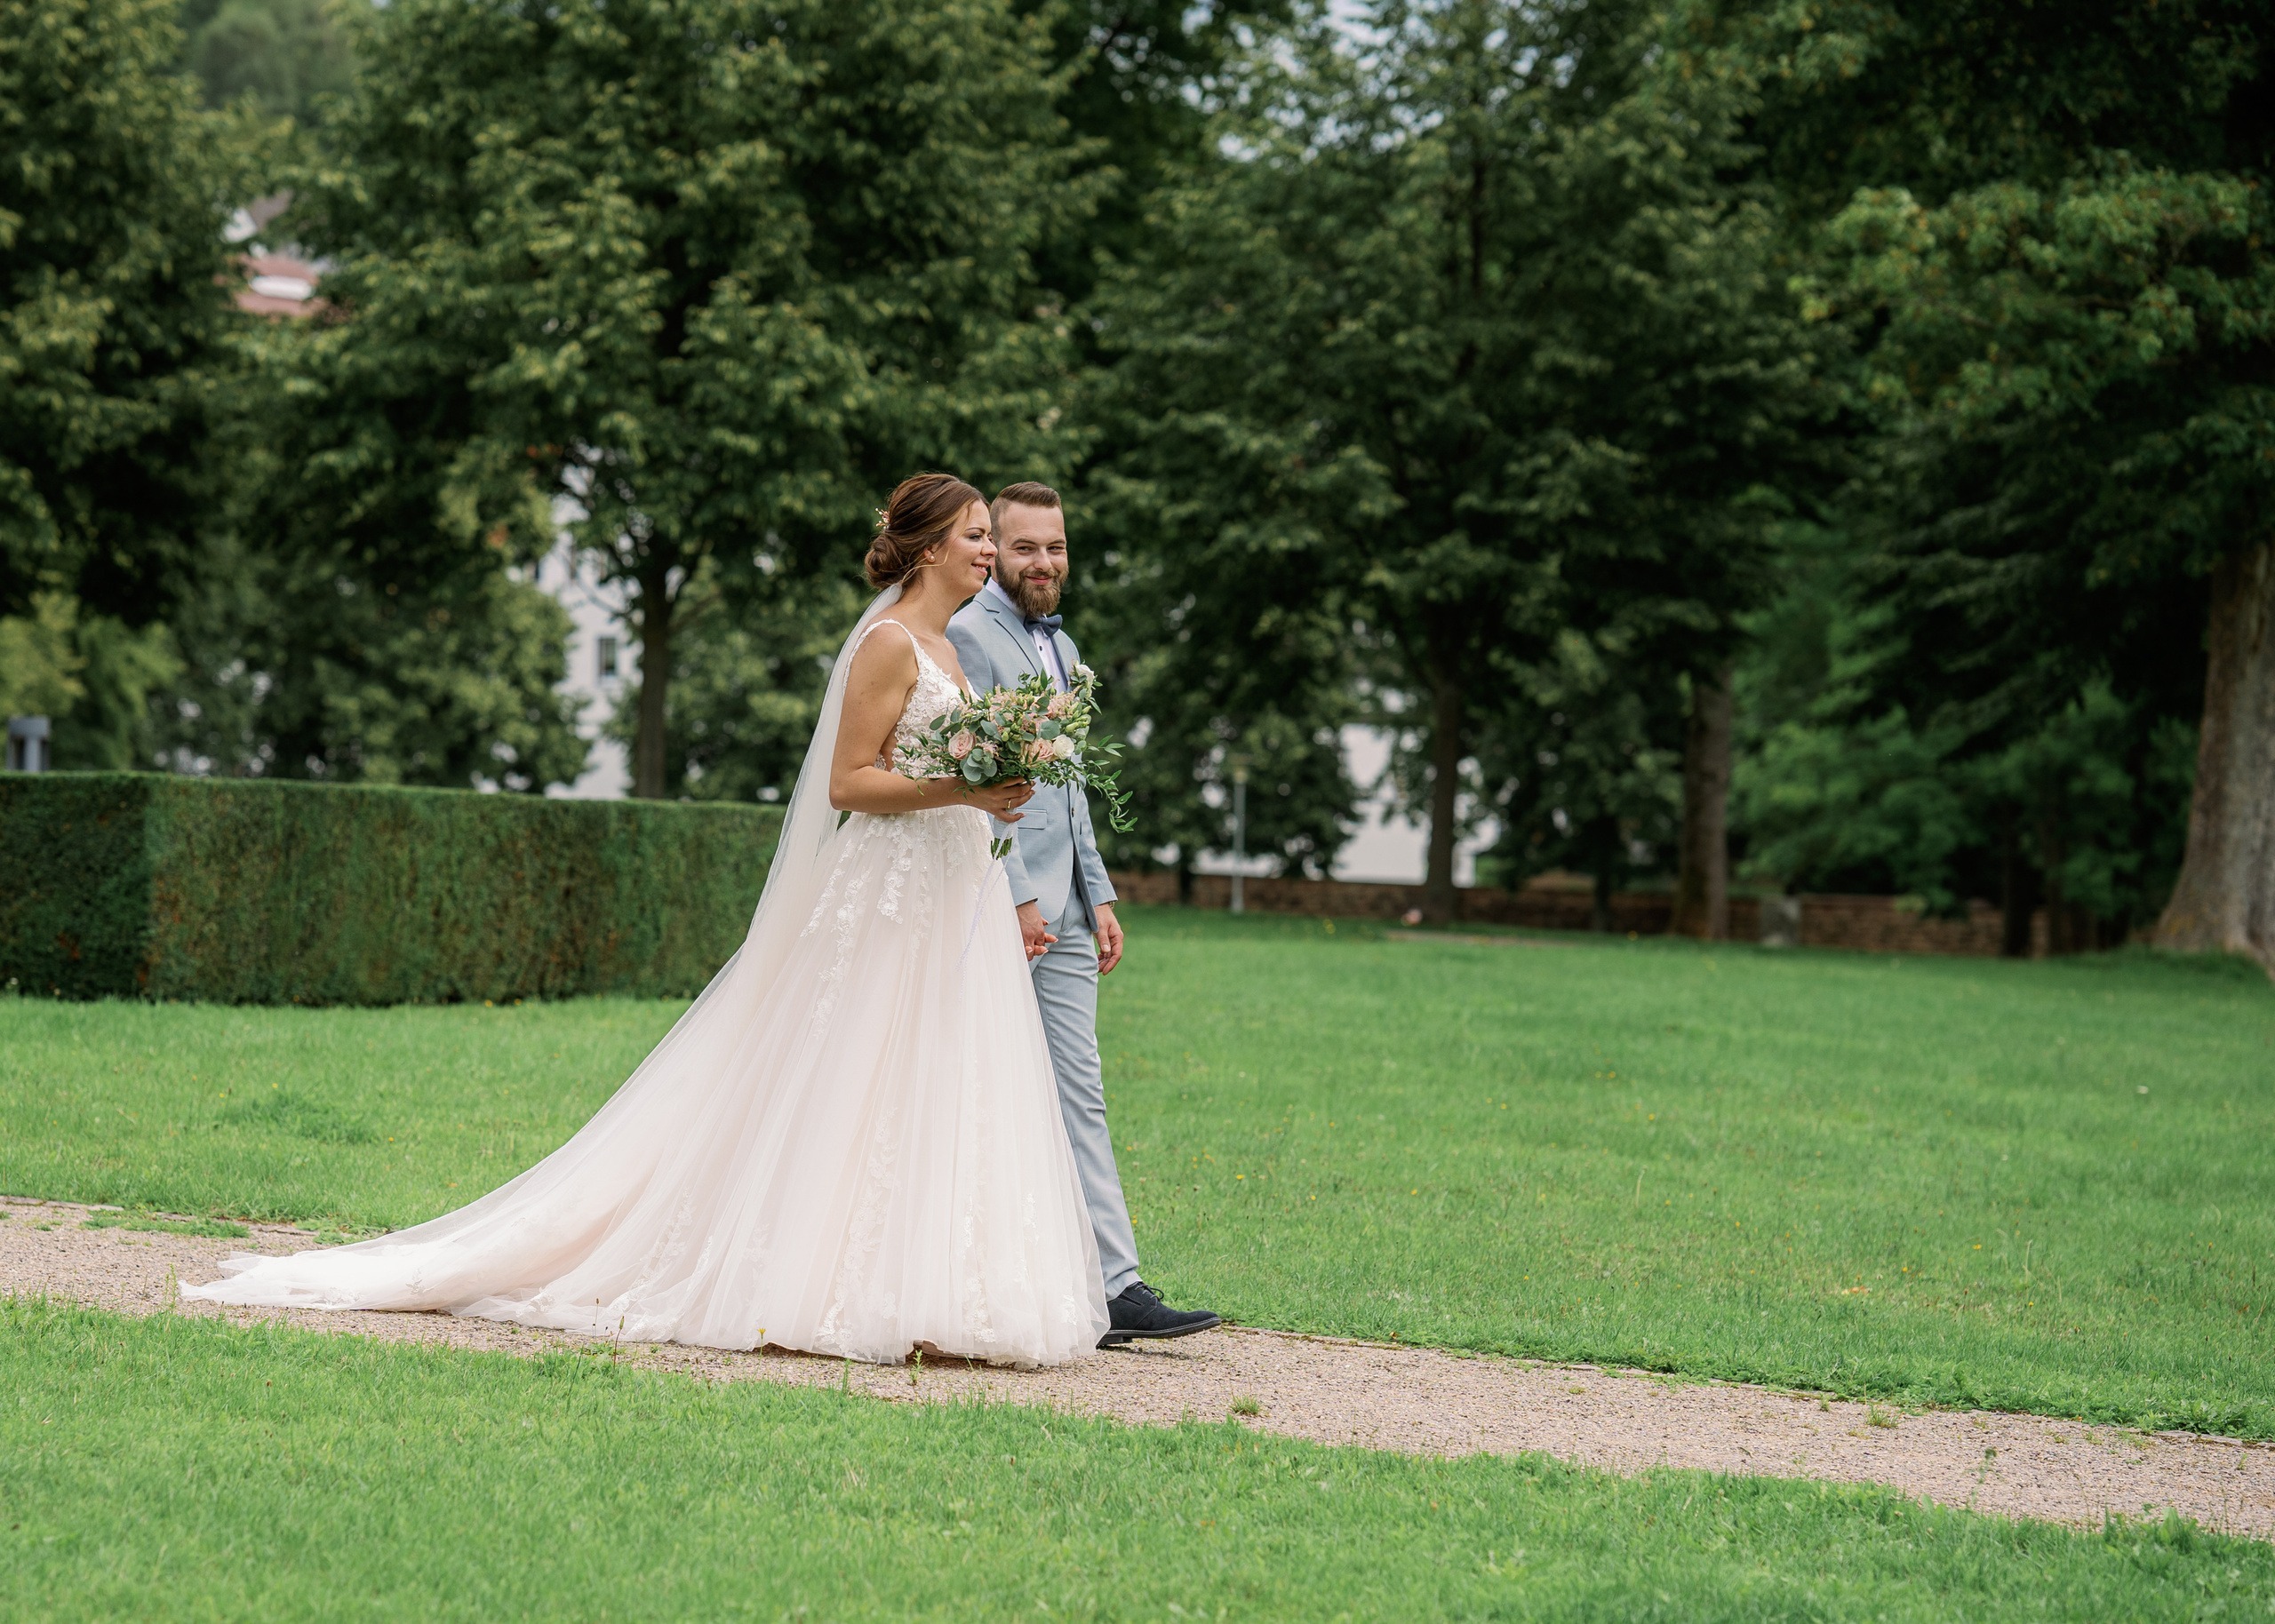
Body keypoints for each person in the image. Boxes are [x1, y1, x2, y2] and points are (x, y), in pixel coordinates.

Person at [181, 475, 1109, 1368]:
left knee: (946, 1075)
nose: (990, 551)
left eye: (993, 536)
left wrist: (988, 792)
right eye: (978, 534)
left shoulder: (949, 652)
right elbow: (848, 782)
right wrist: (964, 786)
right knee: (857, 1073)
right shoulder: (888, 645)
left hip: (955, 889)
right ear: (930, 546)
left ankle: (948, 1286)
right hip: (888, 888)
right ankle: (827, 1279)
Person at [949, 482, 1220, 1348]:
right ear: (994, 549)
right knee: (977, 1090)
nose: (1043, 563)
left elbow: (1062, 785)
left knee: (1079, 1093)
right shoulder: (967, 636)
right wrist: (1021, 896)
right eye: (1025, 547)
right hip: (997, 906)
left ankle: (1111, 1286)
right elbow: (978, 786)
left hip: (1065, 905)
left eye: (1055, 547)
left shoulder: (1059, 645)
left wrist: (1095, 889)